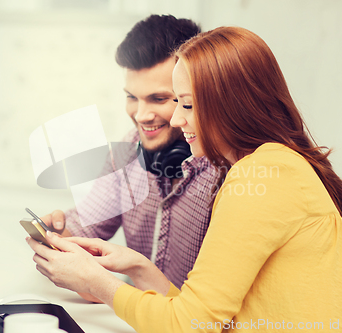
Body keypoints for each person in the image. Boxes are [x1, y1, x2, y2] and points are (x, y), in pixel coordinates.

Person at [28, 26, 342, 332]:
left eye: (185, 105)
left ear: (231, 106)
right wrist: (140, 268)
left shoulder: (261, 176)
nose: (176, 119)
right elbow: (208, 320)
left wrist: (100, 283)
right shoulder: (274, 166)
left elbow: (192, 326)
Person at [41, 14, 219, 294]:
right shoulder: (129, 149)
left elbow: (211, 308)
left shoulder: (230, 171)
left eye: (158, 99)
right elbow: (85, 226)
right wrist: (56, 233)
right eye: (132, 97)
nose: (141, 115)